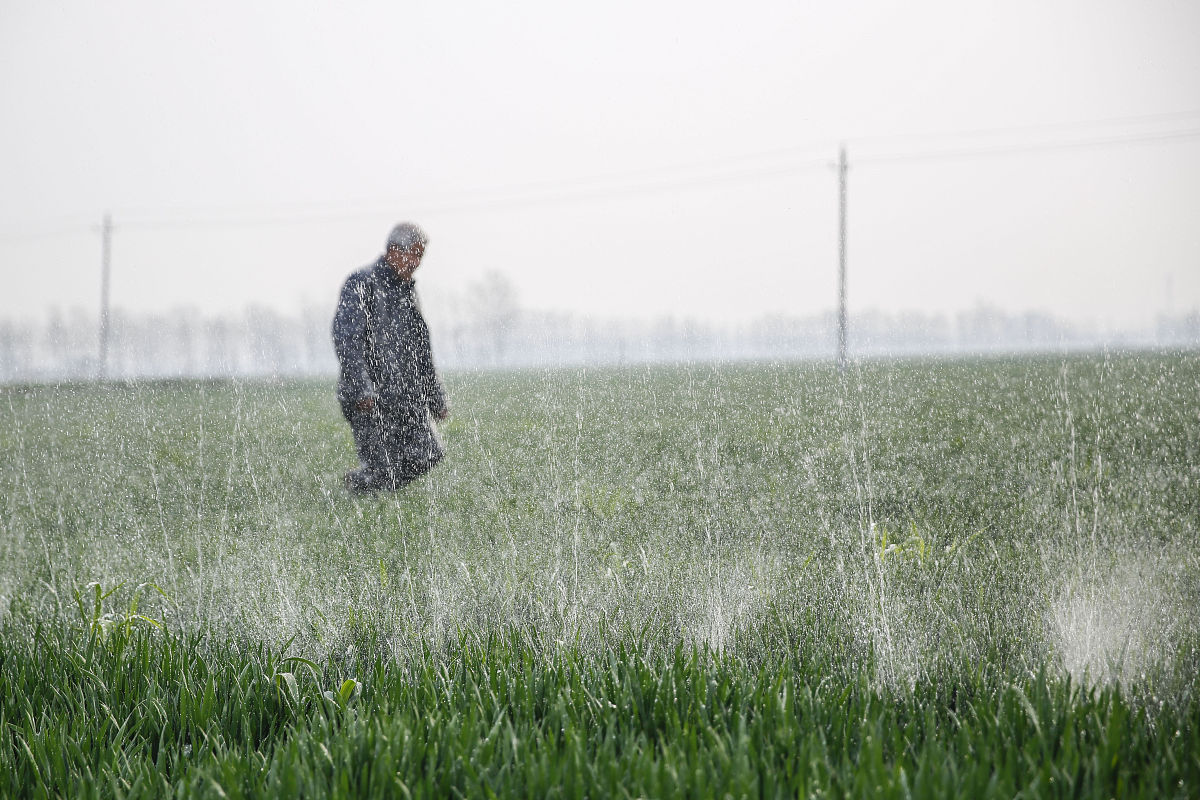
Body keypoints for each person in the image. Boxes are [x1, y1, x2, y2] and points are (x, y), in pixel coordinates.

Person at [332, 222, 449, 494]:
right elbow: (347, 340)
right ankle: (366, 498)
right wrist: (362, 387)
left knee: (428, 454)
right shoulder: (361, 283)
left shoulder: (407, 291)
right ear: (395, 251)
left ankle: (366, 488)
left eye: (421, 256)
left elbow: (422, 350)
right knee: (381, 467)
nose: (417, 262)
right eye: (414, 254)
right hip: (369, 397)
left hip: (406, 395)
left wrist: (435, 397)